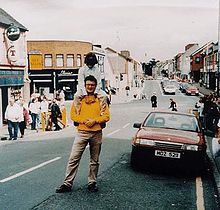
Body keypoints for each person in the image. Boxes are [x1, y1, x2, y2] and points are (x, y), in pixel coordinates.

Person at [56, 75, 110, 193]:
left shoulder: (101, 100)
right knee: (73, 158)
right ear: (85, 86)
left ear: (95, 86)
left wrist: (95, 121)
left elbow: (106, 116)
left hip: (97, 133)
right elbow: (73, 116)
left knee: (94, 160)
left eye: (92, 85)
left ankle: (92, 182)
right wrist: (85, 121)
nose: (90, 87)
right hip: (82, 133)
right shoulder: (79, 100)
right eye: (88, 85)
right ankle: (67, 183)